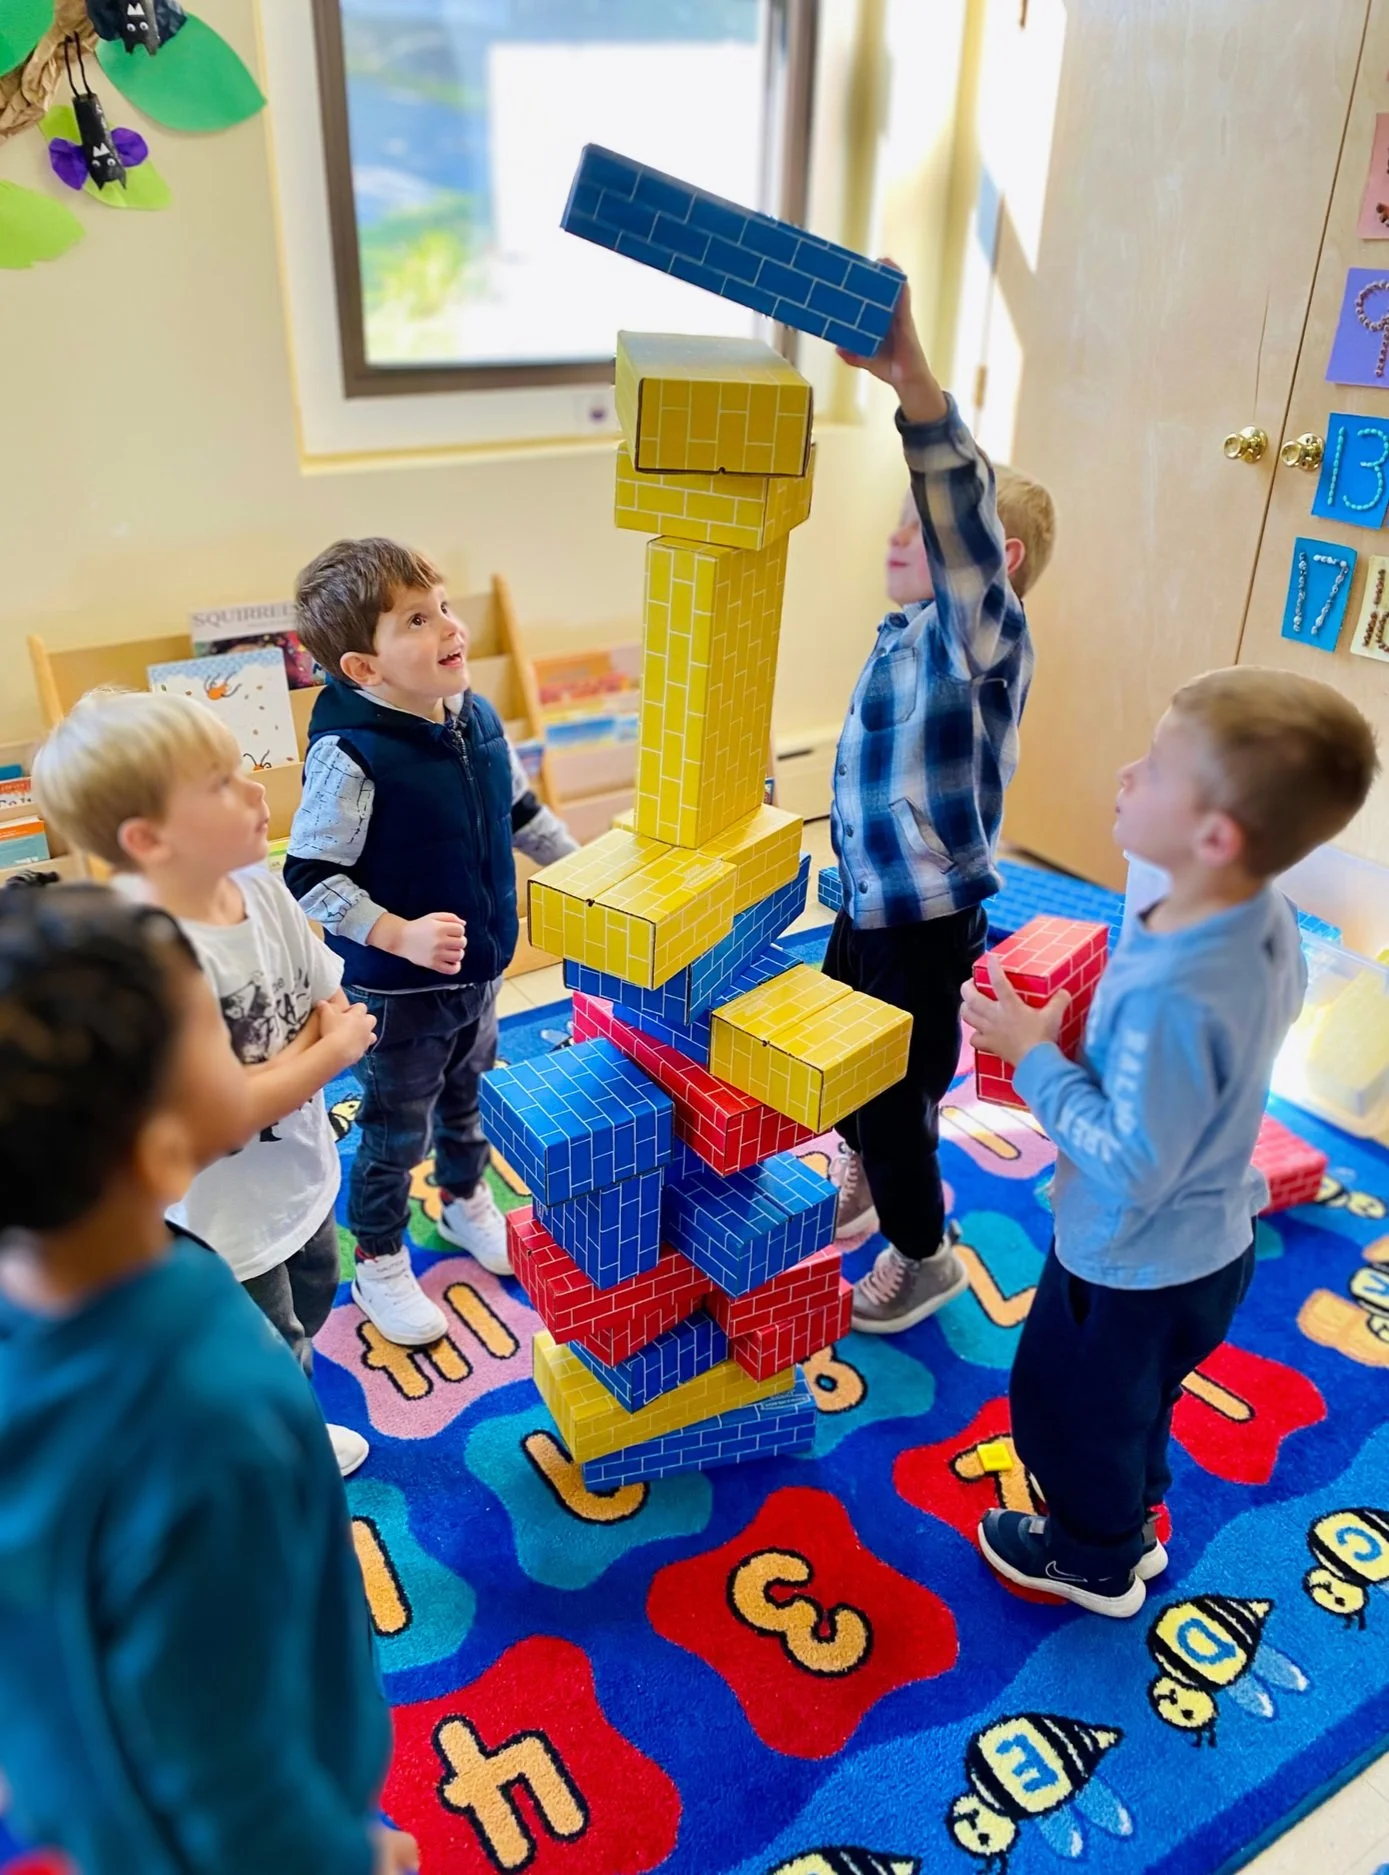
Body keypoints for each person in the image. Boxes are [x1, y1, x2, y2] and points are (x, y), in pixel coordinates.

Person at [0, 881, 416, 1874]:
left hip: (83, 1778)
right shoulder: (206, 1413)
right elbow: (231, 1772)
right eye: (217, 1045)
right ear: (160, 1150)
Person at [964, 667, 1379, 1616]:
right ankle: (1131, 1516)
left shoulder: (1171, 992)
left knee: (1065, 1414)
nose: (1120, 774)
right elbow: (1164, 865)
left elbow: (1130, 1158)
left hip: (1125, 1261)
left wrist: (1032, 1056)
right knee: (1133, 1404)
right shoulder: (1256, 912)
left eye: (1149, 767)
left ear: (1214, 837)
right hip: (1206, 1250)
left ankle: (1090, 1558)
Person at [33, 689, 377, 1476]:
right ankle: (280, 1452)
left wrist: (276, 1073)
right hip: (217, 1216)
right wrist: (323, 1056)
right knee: (271, 1342)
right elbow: (223, 1113)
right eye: (222, 782)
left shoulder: (258, 885)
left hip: (297, 1166)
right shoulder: (147, 954)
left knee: (317, 1290)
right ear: (149, 839)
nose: (259, 790)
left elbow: (327, 993)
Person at [825, 275, 1057, 1332]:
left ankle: (925, 1255)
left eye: (914, 533)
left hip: (920, 917)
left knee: (891, 1094)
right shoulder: (904, 635)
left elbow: (957, 517)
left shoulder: (978, 639)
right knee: (841, 1060)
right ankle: (871, 1170)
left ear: (991, 567)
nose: (895, 541)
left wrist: (915, 385)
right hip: (867, 899)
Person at [284, 539, 530, 1346]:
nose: (449, 627)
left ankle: (464, 1200)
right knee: (395, 1127)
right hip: (396, 994)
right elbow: (311, 874)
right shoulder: (349, 753)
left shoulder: (475, 715)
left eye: (445, 606)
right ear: (363, 668)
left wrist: (594, 869)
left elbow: (519, 811)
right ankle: (381, 1257)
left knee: (471, 1093)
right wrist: (397, 932)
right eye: (417, 619)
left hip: (480, 969)